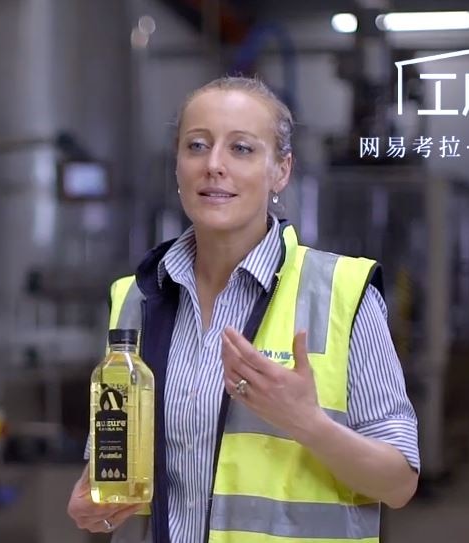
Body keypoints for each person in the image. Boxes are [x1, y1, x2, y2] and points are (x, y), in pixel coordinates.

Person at [67, 76, 420, 543]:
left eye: (242, 149)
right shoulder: (137, 298)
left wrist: (308, 424)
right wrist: (97, 506)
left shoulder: (340, 293)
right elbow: (112, 472)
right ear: (178, 165)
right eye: (197, 145)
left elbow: (398, 483)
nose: (214, 165)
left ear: (281, 171)